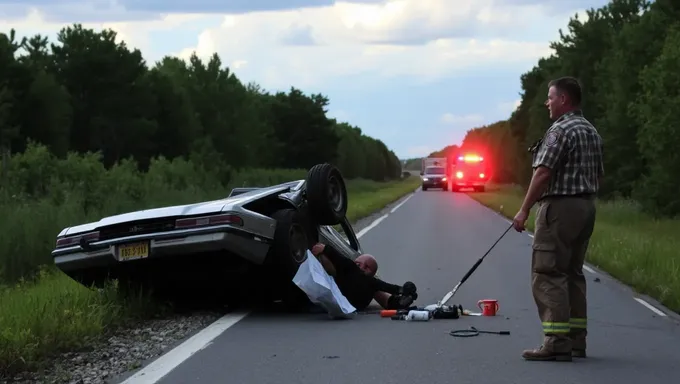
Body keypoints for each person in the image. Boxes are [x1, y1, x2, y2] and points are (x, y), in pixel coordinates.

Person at [511, 76, 604, 362]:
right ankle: (577, 341)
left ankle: (555, 342)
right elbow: (599, 173)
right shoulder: (591, 131)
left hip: (560, 208)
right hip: (586, 206)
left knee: (549, 273)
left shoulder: (559, 131)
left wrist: (524, 209)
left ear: (563, 99)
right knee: (573, 274)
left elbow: (543, 172)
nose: (546, 103)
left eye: (550, 97)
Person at [310, 242, 418, 311]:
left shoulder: (363, 277)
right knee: (375, 286)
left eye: (368, 268)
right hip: (353, 302)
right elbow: (387, 286)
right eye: (363, 264)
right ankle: (396, 302)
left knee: (374, 286)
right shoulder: (351, 268)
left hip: (343, 298)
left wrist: (326, 249)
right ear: (356, 262)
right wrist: (403, 290)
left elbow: (385, 286)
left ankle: (397, 302)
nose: (363, 268)